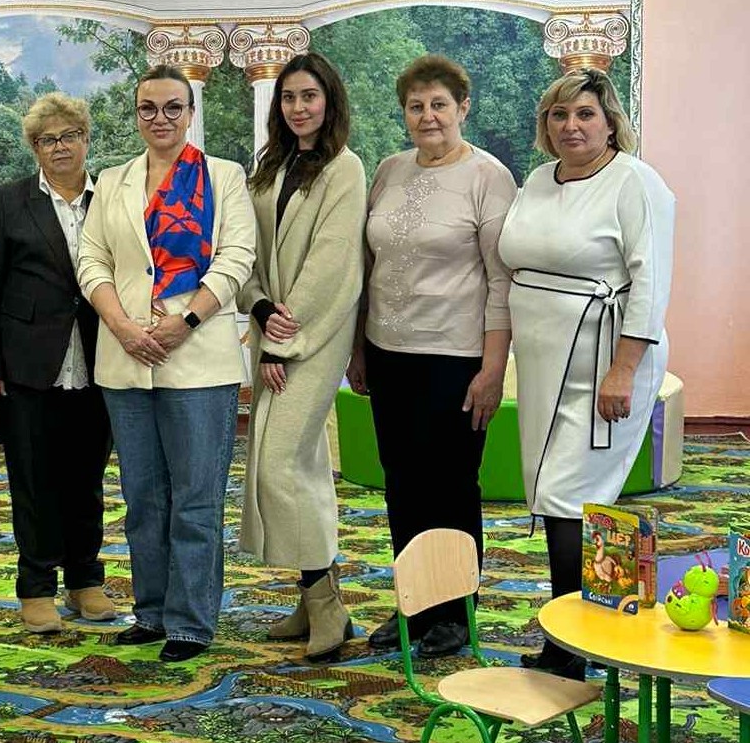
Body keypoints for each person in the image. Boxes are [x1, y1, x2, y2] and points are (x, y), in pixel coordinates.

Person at [498, 68, 674, 678]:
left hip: (605, 362)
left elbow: (651, 283)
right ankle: (582, 633)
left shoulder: (636, 181)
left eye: (584, 114)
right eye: (559, 115)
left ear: (610, 122)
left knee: (570, 496)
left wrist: (623, 370)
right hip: (544, 365)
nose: (571, 126)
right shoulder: (537, 180)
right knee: (553, 493)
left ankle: (572, 650)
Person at [77, 64, 256, 663]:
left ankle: (190, 622)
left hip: (199, 362)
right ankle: (151, 612)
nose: (161, 118)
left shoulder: (224, 177)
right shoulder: (113, 180)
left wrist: (187, 321)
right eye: (148, 108)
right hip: (125, 360)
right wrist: (122, 326)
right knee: (144, 499)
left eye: (172, 107)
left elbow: (237, 258)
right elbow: (92, 260)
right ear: (136, 115)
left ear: (190, 113)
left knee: (196, 500)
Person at [347, 55, 516, 658]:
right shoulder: (389, 170)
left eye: (439, 104)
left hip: (455, 358)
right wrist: (358, 347)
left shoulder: (488, 177)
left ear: (462, 107)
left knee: (450, 485)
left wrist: (493, 370)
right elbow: (367, 265)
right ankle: (414, 603)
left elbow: (502, 280)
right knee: (402, 483)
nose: (428, 116)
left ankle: (455, 610)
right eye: (416, 106)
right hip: (388, 353)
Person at [237, 52, 366, 661]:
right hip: (273, 328)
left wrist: (280, 341)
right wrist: (259, 308)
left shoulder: (345, 168)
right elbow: (247, 252)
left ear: (329, 100)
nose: (298, 107)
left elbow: (331, 265)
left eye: (309, 96)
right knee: (302, 466)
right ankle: (315, 596)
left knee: (279, 462)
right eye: (288, 97)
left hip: (313, 336)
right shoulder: (270, 166)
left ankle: (326, 603)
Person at [0, 93, 114, 633]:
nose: (59, 147)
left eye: (69, 136)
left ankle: (85, 580)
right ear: (34, 148)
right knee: (33, 481)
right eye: (47, 140)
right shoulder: (10, 200)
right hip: (28, 364)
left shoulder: (111, 197)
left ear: (86, 139)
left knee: (87, 478)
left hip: (100, 360)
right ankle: (35, 587)